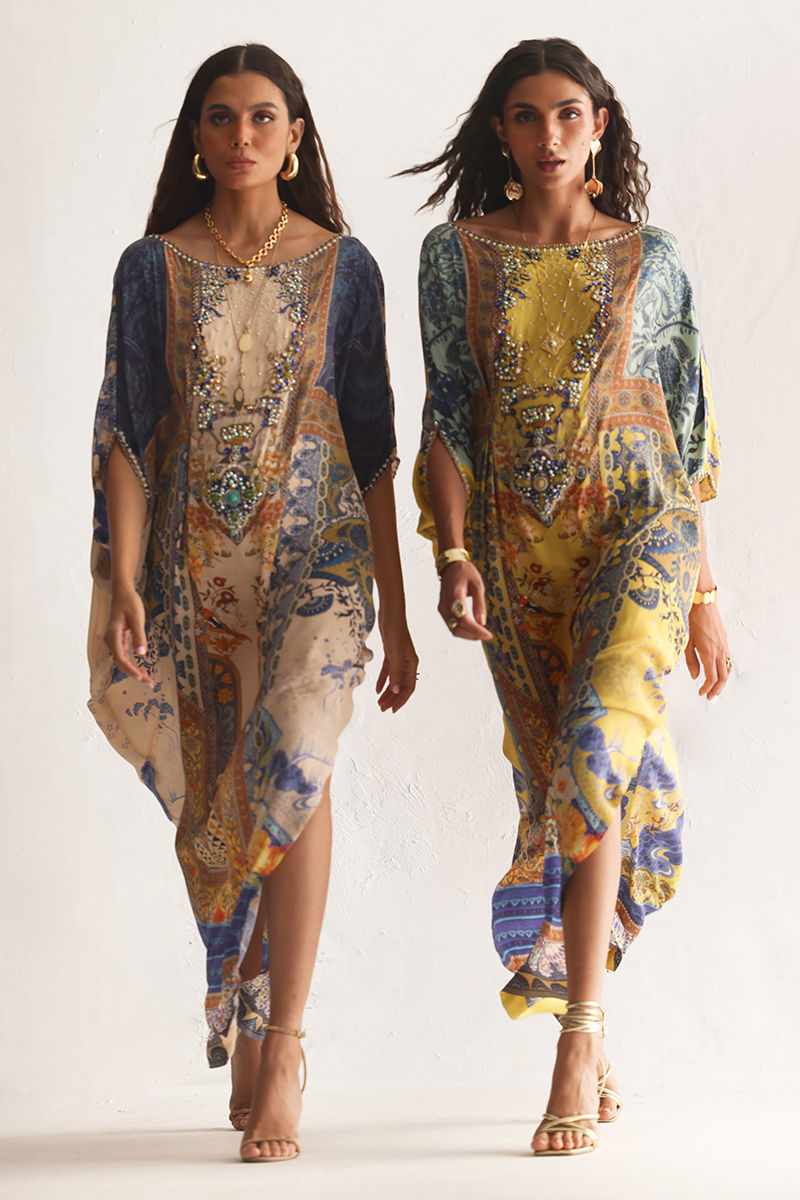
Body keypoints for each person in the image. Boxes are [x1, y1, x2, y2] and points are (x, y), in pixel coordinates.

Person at [88, 43, 417, 1164]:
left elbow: (374, 447)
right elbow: (128, 432)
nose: (242, 137)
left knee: (298, 759)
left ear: (295, 136)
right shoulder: (151, 267)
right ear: (196, 138)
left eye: (263, 117)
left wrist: (397, 610)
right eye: (221, 118)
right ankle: (249, 987)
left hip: (317, 562)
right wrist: (125, 580)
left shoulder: (346, 267)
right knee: (227, 793)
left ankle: (284, 1044)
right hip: (193, 570)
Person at [405, 37, 729, 1157]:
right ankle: (590, 1013)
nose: (548, 135)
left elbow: (686, 423)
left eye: (568, 115)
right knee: (566, 788)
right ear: (500, 131)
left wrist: (703, 590)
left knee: (595, 753)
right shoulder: (454, 256)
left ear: (599, 128)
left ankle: (575, 1044)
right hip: (518, 555)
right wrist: (452, 552)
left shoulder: (654, 256)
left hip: (642, 533)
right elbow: (448, 413)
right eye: (526, 115)